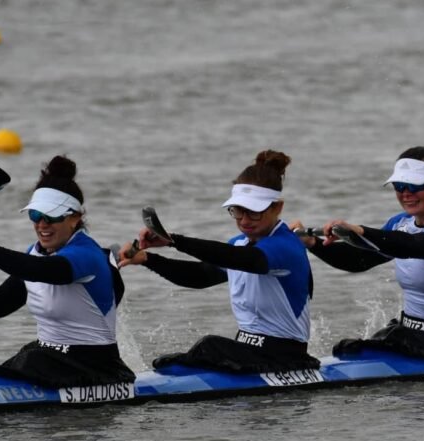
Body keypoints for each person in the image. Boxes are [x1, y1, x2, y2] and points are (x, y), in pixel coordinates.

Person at [0, 155, 136, 387]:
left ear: (75, 218)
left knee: (28, 360)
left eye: (51, 216)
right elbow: (0, 303)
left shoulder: (87, 255)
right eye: (35, 215)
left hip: (96, 366)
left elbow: (43, 271)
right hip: (53, 358)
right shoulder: (35, 253)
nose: (42, 224)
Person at [119, 150, 319, 374]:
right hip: (248, 352)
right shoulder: (238, 244)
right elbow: (201, 276)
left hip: (286, 358)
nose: (244, 220)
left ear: (277, 207)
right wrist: (147, 259)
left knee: (209, 345)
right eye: (238, 211)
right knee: (192, 355)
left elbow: (242, 259)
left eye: (254, 213)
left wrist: (173, 240)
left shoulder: (285, 247)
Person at [293, 146, 424, 359]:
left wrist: (358, 230)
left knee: (356, 350)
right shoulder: (400, 223)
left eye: (414, 185)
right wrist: (313, 243)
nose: (406, 193)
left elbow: (410, 245)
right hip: (412, 333)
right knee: (348, 350)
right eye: (399, 186)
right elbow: (358, 260)